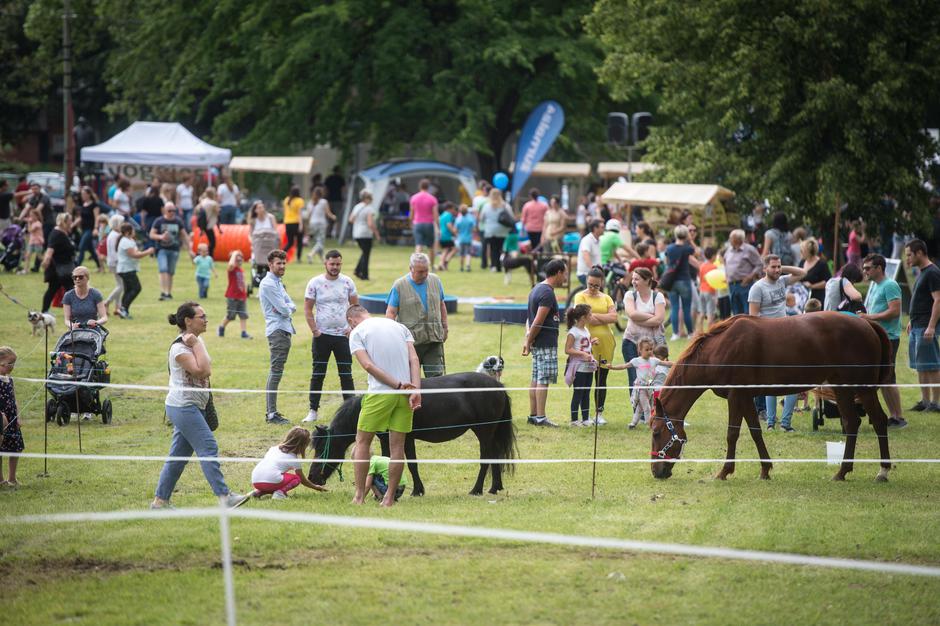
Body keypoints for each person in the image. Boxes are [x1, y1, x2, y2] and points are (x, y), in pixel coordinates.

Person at [151, 302, 251, 510]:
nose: (206, 320)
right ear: (188, 321)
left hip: (196, 406)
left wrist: (197, 343)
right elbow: (203, 371)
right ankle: (225, 497)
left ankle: (160, 502)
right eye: (201, 317)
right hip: (183, 406)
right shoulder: (180, 348)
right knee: (208, 446)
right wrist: (196, 345)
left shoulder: (197, 340)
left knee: (178, 457)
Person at [346, 304, 421, 507]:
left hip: (381, 392)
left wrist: (397, 385)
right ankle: (388, 498)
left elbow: (368, 365)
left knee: (362, 442)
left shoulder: (357, 332)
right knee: (397, 447)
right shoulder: (398, 326)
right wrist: (416, 389)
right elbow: (414, 359)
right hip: (406, 395)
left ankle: (359, 496)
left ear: (352, 321)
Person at [748, 254, 807, 431]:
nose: (776, 270)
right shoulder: (757, 288)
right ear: (764, 268)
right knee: (771, 382)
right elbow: (753, 318)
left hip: (787, 336)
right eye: (773, 267)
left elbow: (802, 273)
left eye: (778, 266)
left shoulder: (782, 281)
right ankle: (771, 423)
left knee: (794, 380)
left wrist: (783, 268)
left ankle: (786, 423)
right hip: (768, 339)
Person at [303, 250, 358, 423]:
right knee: (318, 373)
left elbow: (356, 308)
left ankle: (350, 411)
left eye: (338, 264)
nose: (335, 267)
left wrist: (351, 328)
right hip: (322, 336)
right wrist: (315, 330)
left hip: (343, 336)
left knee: (346, 374)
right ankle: (313, 410)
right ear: (325, 263)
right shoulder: (315, 283)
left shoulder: (348, 282)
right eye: (332, 264)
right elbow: (307, 308)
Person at [859, 253, 905, 428]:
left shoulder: (890, 285)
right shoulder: (875, 285)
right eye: (864, 268)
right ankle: (892, 415)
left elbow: (894, 311)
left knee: (889, 378)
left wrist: (869, 317)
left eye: (868, 268)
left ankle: (898, 417)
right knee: (883, 379)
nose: (865, 271)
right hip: (878, 337)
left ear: (879, 268)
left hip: (889, 337)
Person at [385, 253, 448, 377]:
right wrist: (390, 336)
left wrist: (445, 327)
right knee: (410, 379)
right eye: (420, 272)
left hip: (433, 341)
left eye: (426, 270)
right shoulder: (399, 285)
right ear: (411, 269)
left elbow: (441, 305)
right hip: (410, 344)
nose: (424, 274)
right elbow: (391, 313)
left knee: (436, 378)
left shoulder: (435, 280)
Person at [523, 258, 568, 427]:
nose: (565, 277)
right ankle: (541, 417)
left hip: (537, 342)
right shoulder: (547, 292)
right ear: (558, 273)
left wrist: (528, 339)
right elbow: (538, 321)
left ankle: (533, 415)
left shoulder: (536, 288)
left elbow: (529, 319)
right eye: (565, 273)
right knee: (544, 379)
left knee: (535, 378)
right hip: (546, 342)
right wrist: (528, 340)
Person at [573, 267, 616, 425]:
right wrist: (604, 317)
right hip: (586, 345)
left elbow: (614, 317)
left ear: (602, 284)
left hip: (605, 343)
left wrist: (593, 316)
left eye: (596, 286)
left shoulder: (607, 298)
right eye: (590, 284)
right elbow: (583, 317)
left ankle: (599, 413)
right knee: (585, 380)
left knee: (601, 379)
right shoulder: (580, 296)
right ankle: (584, 415)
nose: (592, 288)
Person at [904, 239, 940, 413]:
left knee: (932, 365)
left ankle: (935, 403)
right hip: (917, 325)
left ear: (919, 253)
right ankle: (925, 401)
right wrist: (912, 320)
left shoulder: (933, 272)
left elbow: (938, 300)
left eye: (909, 255)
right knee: (920, 365)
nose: (907, 259)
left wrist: (931, 326)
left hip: (926, 327)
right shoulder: (922, 272)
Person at [259, 249, 295, 425]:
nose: (282, 266)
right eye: (278, 263)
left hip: (283, 329)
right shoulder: (268, 284)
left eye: (283, 263)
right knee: (275, 372)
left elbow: (291, 305)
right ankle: (271, 414)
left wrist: (287, 308)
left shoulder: (278, 282)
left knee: (277, 372)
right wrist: (287, 308)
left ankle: (272, 412)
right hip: (278, 331)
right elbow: (284, 309)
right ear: (270, 264)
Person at [606, 338, 672, 429]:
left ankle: (633, 424)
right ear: (640, 350)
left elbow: (666, 363)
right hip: (640, 388)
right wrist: (612, 367)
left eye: (651, 349)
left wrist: (679, 364)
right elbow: (624, 366)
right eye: (646, 349)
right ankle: (651, 425)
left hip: (649, 388)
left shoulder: (654, 360)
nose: (649, 351)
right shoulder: (636, 361)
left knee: (639, 408)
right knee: (647, 408)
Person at [622, 267, 667, 398]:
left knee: (656, 376)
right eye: (633, 279)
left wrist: (639, 320)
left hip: (654, 344)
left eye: (637, 279)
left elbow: (659, 319)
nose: (633, 282)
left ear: (647, 280)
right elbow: (631, 313)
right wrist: (651, 316)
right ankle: (638, 412)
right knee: (635, 378)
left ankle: (653, 410)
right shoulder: (630, 295)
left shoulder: (658, 296)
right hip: (631, 342)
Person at [249, 427, 329, 499]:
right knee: (296, 478)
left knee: (273, 480)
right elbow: (302, 480)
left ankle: (258, 492)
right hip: (271, 481)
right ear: (302, 445)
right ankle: (280, 494)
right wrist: (315, 487)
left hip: (255, 481)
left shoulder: (273, 449)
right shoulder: (293, 459)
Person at [150, 202, 193, 301]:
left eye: (174, 210)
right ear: (165, 210)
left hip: (174, 250)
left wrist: (190, 250)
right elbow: (152, 234)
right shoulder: (159, 221)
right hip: (162, 249)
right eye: (169, 210)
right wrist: (161, 237)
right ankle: (163, 292)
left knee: (170, 272)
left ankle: (168, 293)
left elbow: (184, 235)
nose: (172, 212)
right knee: (163, 269)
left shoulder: (178, 221)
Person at [563, 303, 598, 427]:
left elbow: (584, 344)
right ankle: (574, 420)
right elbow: (567, 349)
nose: (591, 316)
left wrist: (591, 343)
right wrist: (582, 354)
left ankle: (585, 418)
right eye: (590, 314)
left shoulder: (586, 330)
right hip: (579, 368)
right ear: (583, 317)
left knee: (586, 393)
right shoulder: (573, 332)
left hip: (588, 367)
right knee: (578, 393)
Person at [665, 224, 701, 340]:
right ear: (686, 235)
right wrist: (690, 240)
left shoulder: (669, 248)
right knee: (686, 308)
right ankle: (690, 333)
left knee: (675, 307)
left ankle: (675, 334)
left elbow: (667, 261)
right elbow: (697, 253)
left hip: (672, 281)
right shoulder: (687, 248)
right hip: (685, 280)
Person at [115, 221, 155, 319]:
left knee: (128, 290)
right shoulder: (125, 241)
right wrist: (148, 251)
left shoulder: (129, 240)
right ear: (128, 232)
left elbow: (135, 252)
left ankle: (123, 310)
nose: (134, 232)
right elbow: (134, 255)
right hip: (126, 269)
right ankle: (123, 309)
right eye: (133, 230)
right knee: (136, 288)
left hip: (128, 269)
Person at [40, 212, 76, 313]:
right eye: (70, 221)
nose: (71, 223)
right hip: (59, 269)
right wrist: (46, 260)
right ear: (64, 222)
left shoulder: (63, 232)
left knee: (53, 289)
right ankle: (78, 311)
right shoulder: (56, 234)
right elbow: (50, 249)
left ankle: (45, 311)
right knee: (71, 290)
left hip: (63, 268)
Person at [723, 228, 764, 315]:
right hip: (732, 285)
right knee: (736, 312)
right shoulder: (728, 251)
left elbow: (759, 264)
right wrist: (727, 277)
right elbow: (725, 263)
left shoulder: (749, 249)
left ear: (737, 239)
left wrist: (750, 277)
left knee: (747, 311)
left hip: (745, 284)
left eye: (731, 238)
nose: (729, 240)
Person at [0, 346, 23, 489]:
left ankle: (12, 478)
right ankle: (1, 479)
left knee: (15, 448)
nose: (12, 367)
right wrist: (1, 416)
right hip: (1, 419)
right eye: (10, 363)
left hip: (12, 418)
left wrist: (18, 417)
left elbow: (14, 400)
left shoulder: (10, 380)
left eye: (14, 363)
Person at [218, 250, 251, 339]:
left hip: (241, 296)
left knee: (243, 315)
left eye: (240, 258)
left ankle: (244, 333)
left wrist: (245, 293)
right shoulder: (231, 269)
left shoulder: (241, 270)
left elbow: (242, 282)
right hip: (232, 296)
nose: (239, 261)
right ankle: (221, 327)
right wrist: (235, 254)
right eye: (237, 259)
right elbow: (231, 264)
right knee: (231, 315)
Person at [348, 189, 380, 280]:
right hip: (366, 233)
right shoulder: (369, 208)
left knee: (364, 252)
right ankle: (364, 275)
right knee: (366, 254)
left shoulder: (357, 207)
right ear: (368, 198)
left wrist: (359, 222)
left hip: (356, 233)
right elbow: (370, 223)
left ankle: (357, 270)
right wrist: (376, 233)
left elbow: (351, 219)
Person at [478, 188, 512, 270]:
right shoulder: (505, 205)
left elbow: (481, 218)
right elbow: (511, 216)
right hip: (502, 230)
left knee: (493, 249)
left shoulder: (486, 206)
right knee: (501, 248)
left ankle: (494, 266)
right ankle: (502, 265)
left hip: (490, 231)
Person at [410, 178, 440, 269]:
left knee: (418, 245)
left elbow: (412, 212)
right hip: (428, 224)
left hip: (417, 223)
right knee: (431, 246)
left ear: (420, 186)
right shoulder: (432, 199)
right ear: (428, 187)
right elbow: (435, 214)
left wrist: (411, 222)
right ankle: (432, 266)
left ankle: (415, 266)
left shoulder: (414, 198)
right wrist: (438, 226)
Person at [305, 186, 334, 263]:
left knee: (318, 241)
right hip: (321, 223)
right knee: (320, 242)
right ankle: (311, 254)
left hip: (312, 223)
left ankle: (323, 260)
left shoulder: (310, 202)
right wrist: (333, 217)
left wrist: (307, 226)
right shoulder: (324, 202)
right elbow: (328, 213)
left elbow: (308, 216)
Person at [74, 186, 101, 269]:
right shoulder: (83, 205)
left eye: (84, 194)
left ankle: (77, 266)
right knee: (91, 249)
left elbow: (97, 217)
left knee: (81, 247)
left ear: (89, 194)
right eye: (82, 194)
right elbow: (81, 218)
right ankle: (100, 266)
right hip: (84, 229)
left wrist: (96, 228)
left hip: (90, 229)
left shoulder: (94, 205)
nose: (83, 196)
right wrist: (72, 225)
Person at [103, 215, 125, 316]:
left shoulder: (113, 234)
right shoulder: (115, 236)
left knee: (119, 285)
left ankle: (117, 307)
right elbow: (114, 252)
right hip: (116, 263)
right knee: (121, 286)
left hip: (113, 262)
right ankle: (107, 302)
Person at [799, 237, 831, 304]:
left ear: (808, 252)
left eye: (802, 251)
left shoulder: (822, 264)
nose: (800, 253)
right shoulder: (802, 262)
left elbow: (828, 282)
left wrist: (812, 286)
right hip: (803, 297)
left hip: (817, 298)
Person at [696, 246, 719, 333]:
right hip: (710, 291)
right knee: (710, 313)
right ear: (713, 256)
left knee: (701, 312)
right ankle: (710, 332)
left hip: (702, 291)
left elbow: (701, 279)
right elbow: (716, 282)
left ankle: (699, 331)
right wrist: (716, 296)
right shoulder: (714, 267)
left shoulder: (702, 266)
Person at [576, 219, 604, 286]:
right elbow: (586, 256)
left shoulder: (598, 240)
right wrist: (594, 270)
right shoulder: (587, 240)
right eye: (602, 227)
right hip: (586, 274)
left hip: (594, 273)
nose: (604, 229)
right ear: (595, 228)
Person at [196, 187, 221, 258]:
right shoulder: (213, 203)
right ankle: (208, 256)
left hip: (202, 224)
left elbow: (196, 210)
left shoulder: (202, 202)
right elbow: (218, 212)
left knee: (210, 241)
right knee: (213, 242)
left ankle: (202, 254)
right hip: (209, 225)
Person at [282, 186, 305, 261]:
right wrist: (301, 225)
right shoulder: (299, 200)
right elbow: (300, 214)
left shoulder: (286, 200)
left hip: (288, 223)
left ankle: (281, 254)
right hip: (296, 222)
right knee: (299, 242)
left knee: (290, 242)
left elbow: (284, 211)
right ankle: (298, 258)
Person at [323, 166, 346, 238]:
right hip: (338, 200)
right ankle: (338, 233)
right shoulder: (341, 179)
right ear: (338, 171)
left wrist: (326, 197)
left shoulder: (329, 178)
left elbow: (325, 189)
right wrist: (344, 198)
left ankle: (328, 233)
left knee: (329, 218)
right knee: (339, 218)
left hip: (329, 200)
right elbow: (343, 189)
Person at [21, 208, 44, 275]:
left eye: (33, 216)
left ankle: (48, 266)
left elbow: (30, 230)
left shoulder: (38, 224)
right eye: (30, 216)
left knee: (39, 257)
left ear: (37, 216)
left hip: (38, 242)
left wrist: (28, 222)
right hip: (32, 242)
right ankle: (25, 270)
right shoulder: (33, 223)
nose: (31, 217)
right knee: (27, 255)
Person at [437, 201, 458, 271]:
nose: (453, 211)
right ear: (449, 208)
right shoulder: (449, 215)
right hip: (447, 236)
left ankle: (441, 264)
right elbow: (449, 225)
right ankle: (446, 261)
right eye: (453, 209)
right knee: (455, 249)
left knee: (445, 250)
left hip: (441, 235)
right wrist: (454, 232)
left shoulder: (442, 215)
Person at [455, 204, 476, 272]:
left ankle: (461, 267)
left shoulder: (458, 219)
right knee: (468, 253)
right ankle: (468, 266)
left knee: (461, 254)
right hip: (468, 238)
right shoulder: (471, 218)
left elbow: (456, 230)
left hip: (461, 239)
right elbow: (474, 229)